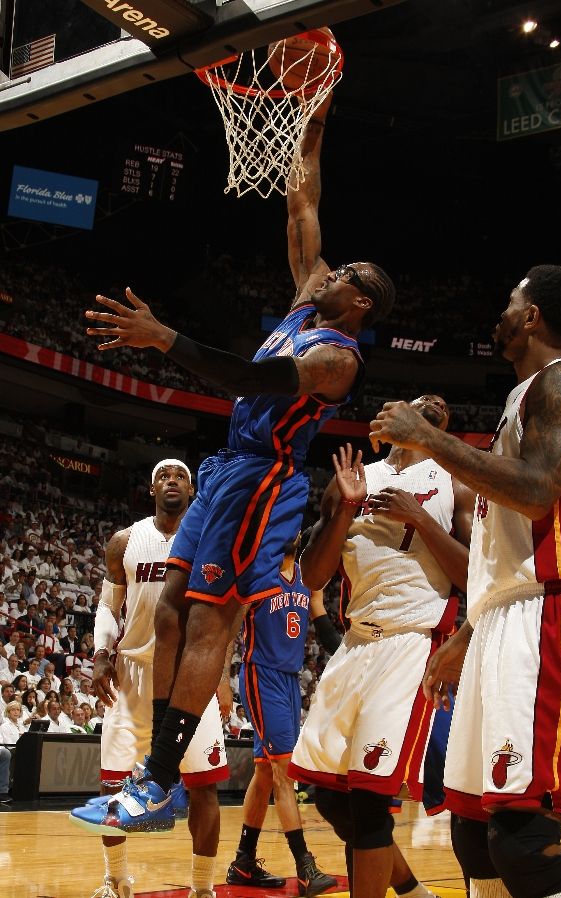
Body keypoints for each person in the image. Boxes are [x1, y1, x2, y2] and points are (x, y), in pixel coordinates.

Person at [80, 93, 396, 832]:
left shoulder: (335, 357)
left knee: (209, 623)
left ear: (359, 304)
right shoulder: (303, 306)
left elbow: (247, 380)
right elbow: (300, 202)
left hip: (263, 479)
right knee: (161, 611)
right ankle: (156, 773)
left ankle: (158, 778)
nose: (326, 270)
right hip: (225, 469)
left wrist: (163, 338)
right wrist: (313, 123)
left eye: (342, 272)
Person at [369, 266, 561, 898]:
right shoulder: (521, 397)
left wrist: (430, 439)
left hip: (548, 612)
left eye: (510, 301)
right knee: (473, 834)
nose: (501, 312)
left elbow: (536, 492)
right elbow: (503, 549)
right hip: (502, 617)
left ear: (532, 317)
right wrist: (468, 632)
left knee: (521, 836)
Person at [289, 395, 475, 898]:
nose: (435, 401)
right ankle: (413, 891)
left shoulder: (453, 481)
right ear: (386, 422)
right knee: (327, 796)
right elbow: (313, 575)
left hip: (409, 646)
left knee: (370, 803)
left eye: (442, 404)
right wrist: (344, 511)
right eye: (420, 399)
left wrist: (421, 519)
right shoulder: (355, 476)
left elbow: (472, 577)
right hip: (354, 645)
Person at [69, 460, 229, 898]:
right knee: (113, 785)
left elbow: (223, 613)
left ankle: (202, 888)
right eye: (164, 475)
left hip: (189, 674)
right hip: (133, 673)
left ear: (192, 489)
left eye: (180, 475)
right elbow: (107, 606)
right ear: (151, 486)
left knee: (204, 787)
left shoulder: (210, 540)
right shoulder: (125, 541)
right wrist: (101, 653)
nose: (172, 480)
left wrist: (222, 674)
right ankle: (116, 878)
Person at [226, 533, 337, 897]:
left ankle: (243, 862)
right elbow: (231, 626)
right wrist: (219, 680)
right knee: (283, 770)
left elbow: (320, 618)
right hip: (261, 674)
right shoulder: (258, 573)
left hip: (290, 680)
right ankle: (304, 867)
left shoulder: (307, 575)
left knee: (264, 769)